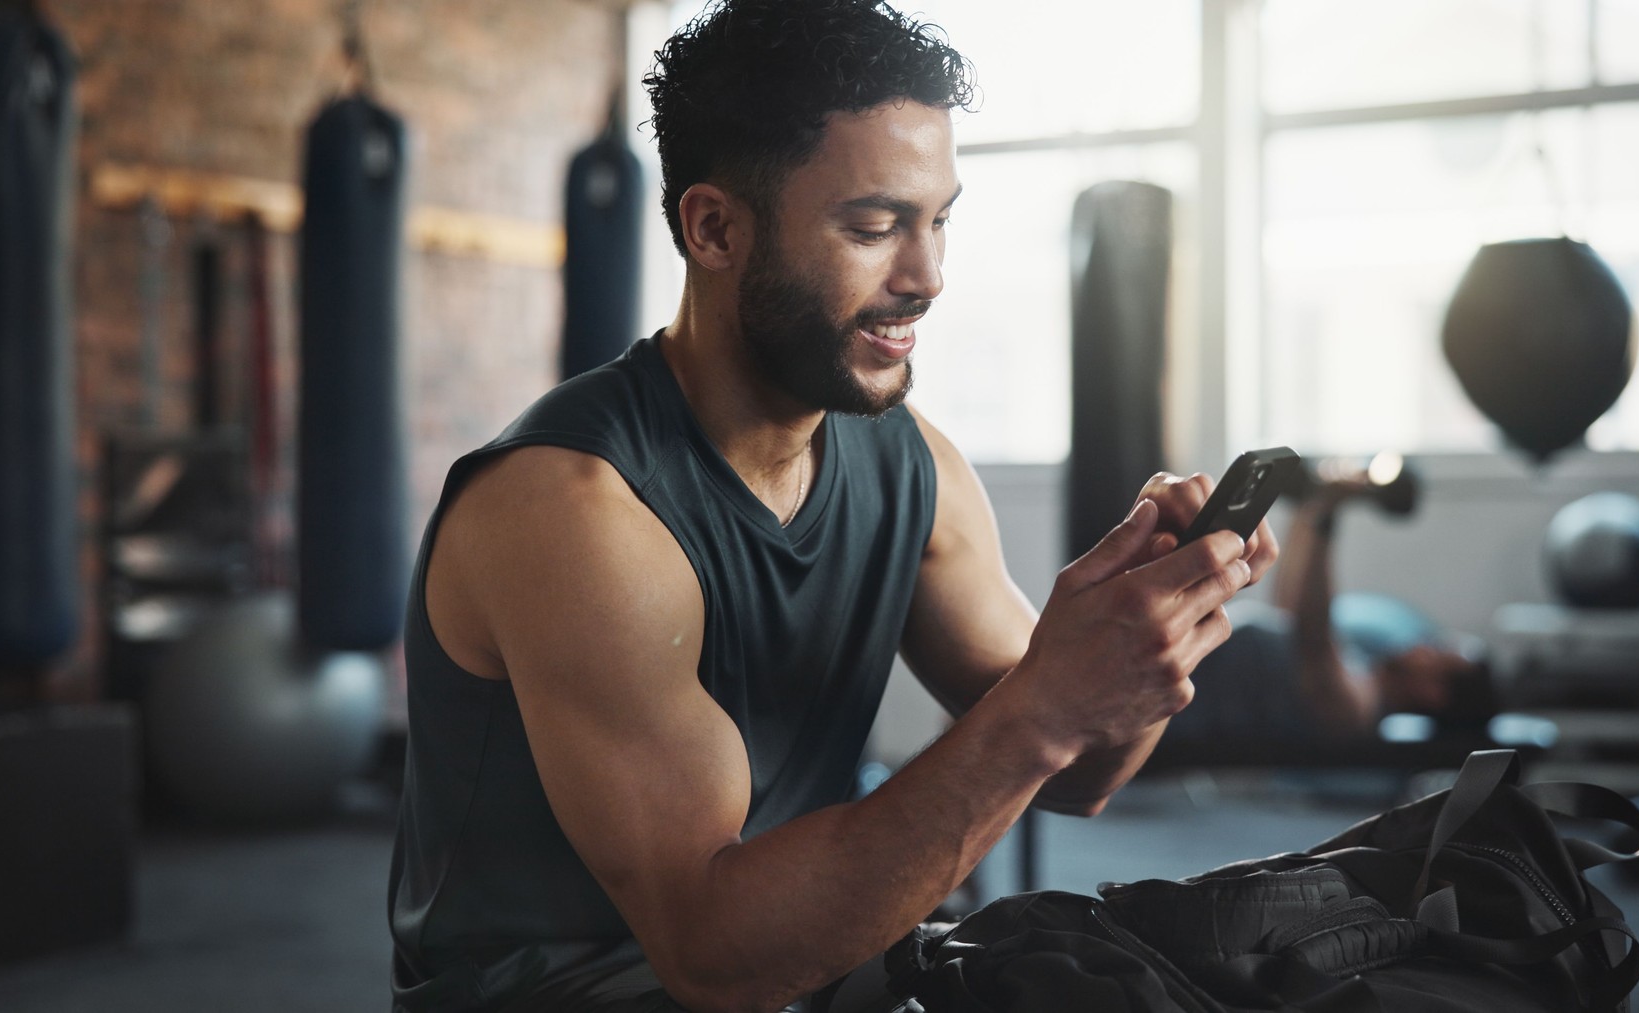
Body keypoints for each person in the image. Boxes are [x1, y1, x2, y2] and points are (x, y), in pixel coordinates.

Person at [387, 2, 1277, 1010]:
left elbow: (1081, 772)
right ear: (714, 228)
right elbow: (713, 956)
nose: (928, 275)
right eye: (874, 226)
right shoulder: (573, 511)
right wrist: (1045, 705)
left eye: (939, 220)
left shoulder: (910, 466)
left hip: (821, 975)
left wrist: (1146, 634)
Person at [1166, 474, 1494, 744]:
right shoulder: (1359, 664)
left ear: (1434, 693)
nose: (1423, 644)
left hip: (1168, 703)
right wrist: (1308, 507)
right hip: (1173, 653)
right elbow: (1291, 611)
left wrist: (1326, 513)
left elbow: (1312, 632)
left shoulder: (1357, 709)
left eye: (1437, 653)